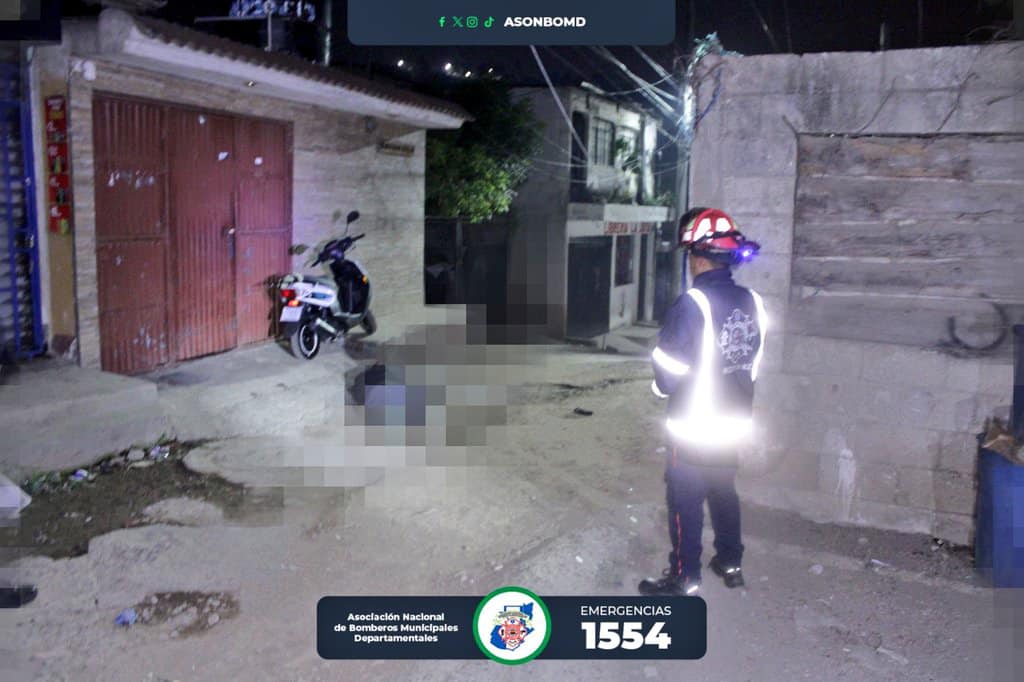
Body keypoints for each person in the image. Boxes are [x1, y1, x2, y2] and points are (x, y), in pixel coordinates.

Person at [638, 207, 768, 597]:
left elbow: (668, 374)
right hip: (733, 425)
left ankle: (685, 576)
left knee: (685, 501)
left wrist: (660, 388)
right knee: (724, 492)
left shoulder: (692, 303)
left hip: (693, 428)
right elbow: (752, 364)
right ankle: (730, 562)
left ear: (697, 257)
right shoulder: (753, 301)